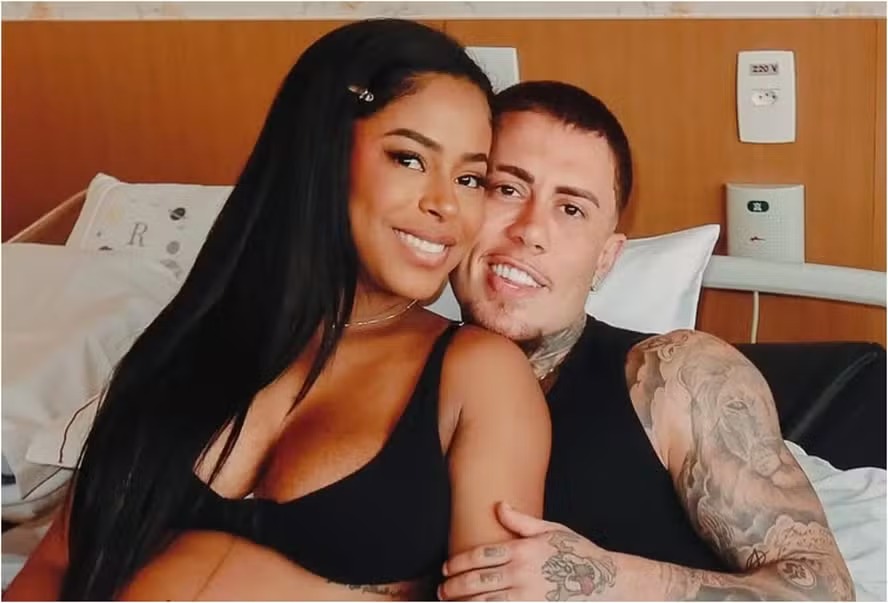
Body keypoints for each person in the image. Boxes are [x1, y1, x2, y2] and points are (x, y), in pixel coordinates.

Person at [6, 20, 551, 601]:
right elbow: (54, 567)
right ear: (320, 151)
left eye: (470, 178)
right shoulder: (186, 344)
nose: (446, 204)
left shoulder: (477, 375)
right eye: (410, 159)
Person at [441, 81, 854, 601]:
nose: (530, 230)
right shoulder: (392, 367)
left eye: (571, 209)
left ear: (606, 258)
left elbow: (827, 592)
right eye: (507, 189)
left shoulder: (679, 376)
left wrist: (609, 581)